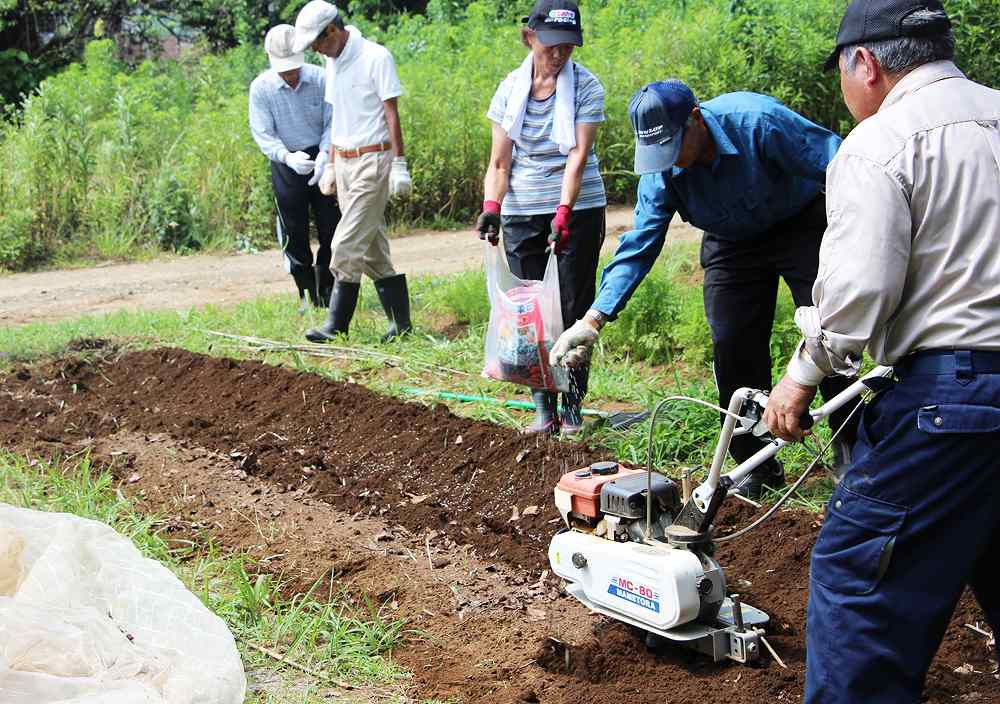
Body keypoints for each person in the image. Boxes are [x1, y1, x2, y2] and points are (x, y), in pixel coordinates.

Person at [762, 0, 1000, 700]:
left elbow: (859, 294)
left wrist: (800, 379)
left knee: (857, 581)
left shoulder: (880, 141)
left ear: (864, 62)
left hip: (949, 404)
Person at [549, 78, 855, 496]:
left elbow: (844, 167)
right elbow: (641, 242)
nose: (669, 160)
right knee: (732, 345)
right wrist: (593, 319)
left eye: (673, 146)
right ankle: (755, 462)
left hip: (800, 223)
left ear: (695, 118)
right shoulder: (662, 172)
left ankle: (853, 452)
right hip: (729, 241)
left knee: (830, 332)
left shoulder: (758, 123)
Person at [476, 0, 607, 437]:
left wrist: (564, 210)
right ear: (529, 37)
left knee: (570, 308)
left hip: (577, 208)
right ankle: (542, 409)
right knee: (528, 312)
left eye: (568, 45)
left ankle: (572, 410)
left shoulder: (587, 88)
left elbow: (578, 155)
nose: (560, 53)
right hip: (521, 208)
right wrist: (491, 209)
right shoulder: (509, 89)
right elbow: (499, 162)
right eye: (552, 44)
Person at [292, 0, 414, 343]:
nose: (317, 49)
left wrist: (399, 164)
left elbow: (392, 113)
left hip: (373, 162)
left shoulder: (376, 57)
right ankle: (401, 324)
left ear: (332, 29)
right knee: (371, 248)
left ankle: (337, 325)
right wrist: (330, 161)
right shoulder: (332, 62)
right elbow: (337, 117)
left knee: (345, 244)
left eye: (318, 41)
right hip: (344, 161)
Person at [249, 24, 341, 312]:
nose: (291, 75)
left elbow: (332, 120)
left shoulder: (320, 78)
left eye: (293, 68)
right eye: (284, 70)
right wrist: (287, 158)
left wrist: (326, 153)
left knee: (331, 226)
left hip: (322, 156)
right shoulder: (261, 89)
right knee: (293, 230)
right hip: (286, 161)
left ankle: (327, 287)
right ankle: (305, 291)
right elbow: (264, 134)